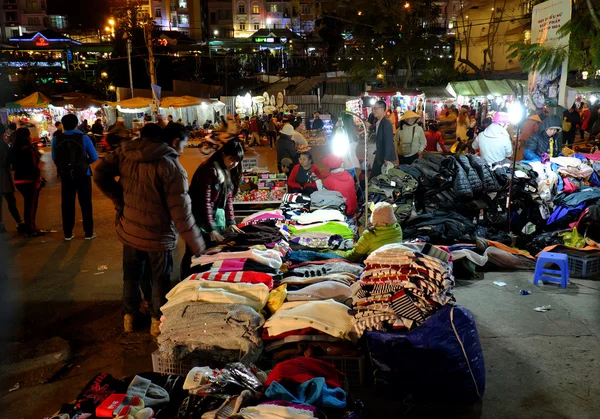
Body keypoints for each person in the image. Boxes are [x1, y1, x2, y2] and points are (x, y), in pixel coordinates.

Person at [94, 123, 205, 336]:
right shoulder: (172, 167)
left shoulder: (124, 154)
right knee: (160, 278)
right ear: (174, 142)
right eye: (183, 144)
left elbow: (100, 175)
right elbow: (181, 211)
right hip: (158, 235)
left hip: (130, 229)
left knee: (132, 276)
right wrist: (197, 243)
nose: (183, 149)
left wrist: (120, 201)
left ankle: (129, 317)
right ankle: (156, 321)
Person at [182, 138, 245, 279]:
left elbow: (228, 199)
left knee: (208, 253)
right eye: (232, 159)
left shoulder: (226, 170)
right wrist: (210, 228)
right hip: (199, 218)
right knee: (194, 252)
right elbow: (205, 202)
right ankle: (185, 280)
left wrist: (232, 222)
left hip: (213, 218)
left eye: (237, 161)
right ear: (223, 155)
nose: (234, 164)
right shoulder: (209, 170)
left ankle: (199, 278)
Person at [52, 114, 99, 240]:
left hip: (66, 175)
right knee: (86, 203)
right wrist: (83, 163)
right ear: (76, 123)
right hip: (83, 174)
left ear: (63, 124)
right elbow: (94, 157)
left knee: (67, 204)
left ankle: (67, 233)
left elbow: (54, 158)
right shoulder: (84, 138)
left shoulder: (57, 139)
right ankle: (88, 233)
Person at [11, 128, 44, 237]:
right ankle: (31, 228)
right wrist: (39, 179)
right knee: (31, 205)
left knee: (28, 204)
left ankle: (29, 226)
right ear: (27, 136)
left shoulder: (14, 148)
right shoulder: (29, 149)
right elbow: (34, 166)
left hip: (18, 180)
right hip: (29, 181)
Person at [0, 129, 23, 233]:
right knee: (11, 200)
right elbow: (9, 160)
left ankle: (1, 224)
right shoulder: (4, 145)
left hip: (4, 173)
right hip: (4, 175)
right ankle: (19, 222)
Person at [372, 100, 396, 178]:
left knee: (381, 178)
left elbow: (388, 141)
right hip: (380, 154)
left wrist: (387, 159)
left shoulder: (386, 123)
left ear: (382, 110)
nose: (373, 110)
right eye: (373, 108)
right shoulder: (379, 122)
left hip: (384, 157)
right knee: (376, 177)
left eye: (376, 108)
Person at [340, 113, 360, 178]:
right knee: (351, 181)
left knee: (347, 183)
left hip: (346, 164)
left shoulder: (342, 134)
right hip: (354, 163)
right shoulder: (355, 133)